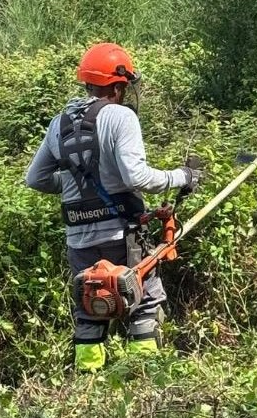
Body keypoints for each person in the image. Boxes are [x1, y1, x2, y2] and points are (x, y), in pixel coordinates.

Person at [24, 42, 204, 372]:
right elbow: (136, 177)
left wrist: (68, 185)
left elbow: (35, 179)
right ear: (119, 85)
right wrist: (183, 176)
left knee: (91, 304)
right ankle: (145, 379)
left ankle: (87, 381)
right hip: (123, 235)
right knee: (144, 302)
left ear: (88, 83)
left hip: (79, 240)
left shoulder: (58, 123)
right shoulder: (121, 117)